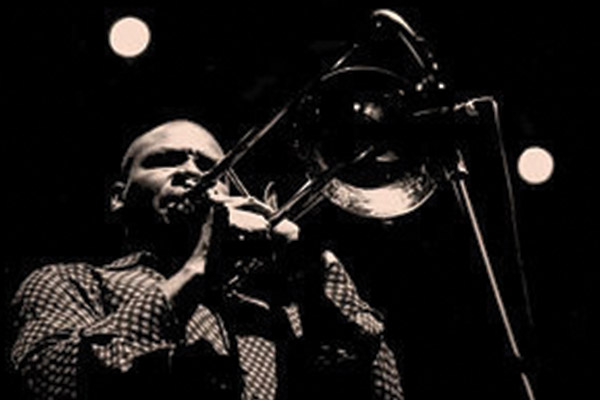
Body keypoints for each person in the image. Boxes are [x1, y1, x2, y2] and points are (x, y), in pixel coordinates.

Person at [10, 119, 403, 400]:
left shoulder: (282, 313)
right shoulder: (69, 282)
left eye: (210, 166)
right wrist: (197, 267)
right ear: (118, 196)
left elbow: (379, 385)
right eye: (166, 160)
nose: (192, 173)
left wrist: (310, 267)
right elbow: (54, 379)